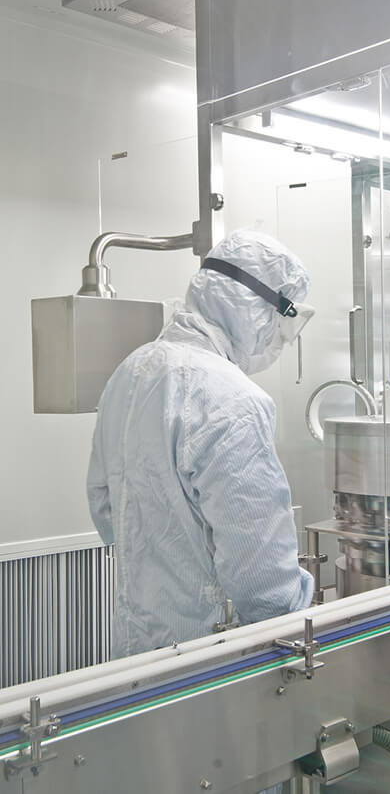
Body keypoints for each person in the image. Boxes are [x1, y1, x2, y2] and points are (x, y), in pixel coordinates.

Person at [87, 228, 315, 660]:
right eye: (281, 320)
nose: (281, 337)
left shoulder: (130, 372)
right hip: (209, 654)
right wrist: (295, 617)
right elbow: (262, 578)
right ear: (255, 309)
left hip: (136, 642)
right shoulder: (232, 399)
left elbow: (104, 507)